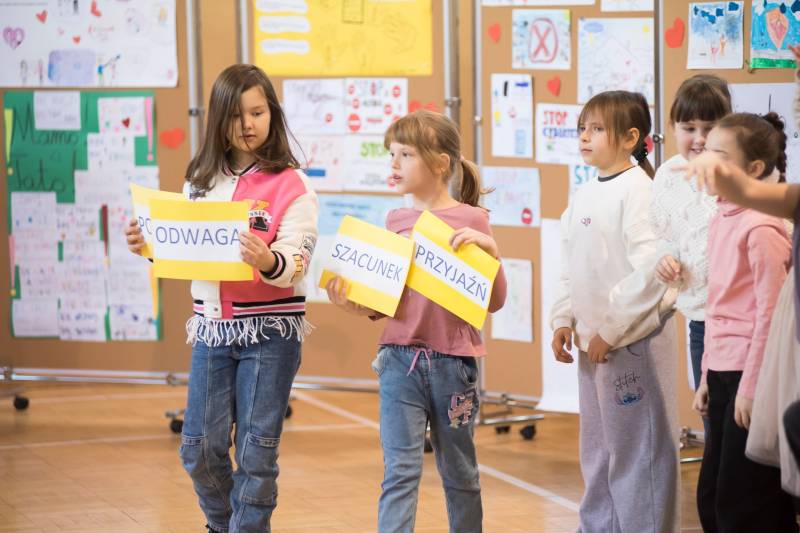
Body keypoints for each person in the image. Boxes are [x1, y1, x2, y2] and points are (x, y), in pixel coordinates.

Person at [125, 64, 318, 533]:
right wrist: (150, 246)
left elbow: (298, 260)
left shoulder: (294, 184)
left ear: (272, 115)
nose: (248, 124)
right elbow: (188, 250)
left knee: (256, 453)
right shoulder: (200, 179)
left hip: (272, 333)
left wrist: (268, 260)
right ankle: (223, 524)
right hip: (212, 328)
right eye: (236, 115)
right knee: (197, 449)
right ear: (218, 118)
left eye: (258, 112)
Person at [327, 109, 507, 533]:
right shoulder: (395, 221)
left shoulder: (472, 219)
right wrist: (355, 305)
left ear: (441, 163)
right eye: (391, 154)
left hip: (453, 365)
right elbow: (386, 301)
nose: (394, 163)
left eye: (405, 154)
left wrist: (492, 254)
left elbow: (494, 301)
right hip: (397, 362)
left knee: (460, 472)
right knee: (400, 472)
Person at [550, 90, 680, 532]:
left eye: (597, 129)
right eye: (582, 128)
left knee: (639, 455)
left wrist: (611, 330)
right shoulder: (586, 193)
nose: (585, 137)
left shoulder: (640, 191)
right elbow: (571, 264)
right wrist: (562, 319)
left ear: (630, 138)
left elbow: (650, 273)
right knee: (600, 453)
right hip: (595, 346)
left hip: (631, 345)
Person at [690, 112, 795, 532]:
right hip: (722, 372)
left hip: (751, 377)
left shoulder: (761, 227)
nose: (705, 160)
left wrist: (750, 389)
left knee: (747, 502)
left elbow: (770, 316)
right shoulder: (722, 215)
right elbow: (718, 307)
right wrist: (705, 376)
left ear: (753, 170)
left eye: (719, 155)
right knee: (712, 497)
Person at [649, 75, 731, 420]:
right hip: (699, 319)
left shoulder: (740, 173)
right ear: (672, 127)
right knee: (710, 415)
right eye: (689, 128)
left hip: (740, 323)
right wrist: (665, 260)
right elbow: (663, 237)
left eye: (710, 128)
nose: (699, 138)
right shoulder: (667, 176)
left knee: (742, 420)